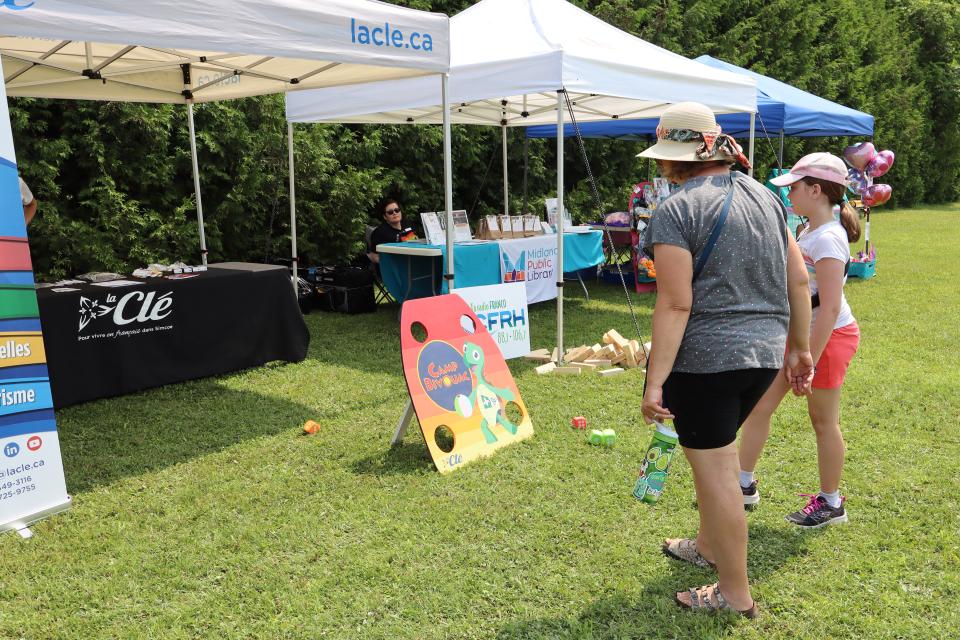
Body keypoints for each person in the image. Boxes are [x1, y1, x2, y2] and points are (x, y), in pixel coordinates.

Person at [638, 102, 814, 618]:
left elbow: (674, 303)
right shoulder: (767, 198)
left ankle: (735, 594)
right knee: (712, 457)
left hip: (705, 362)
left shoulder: (675, 210)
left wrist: (654, 382)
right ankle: (709, 546)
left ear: (674, 157)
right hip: (762, 356)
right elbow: (798, 279)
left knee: (716, 470)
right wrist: (800, 348)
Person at [738, 152, 861, 528]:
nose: (789, 193)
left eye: (794, 187)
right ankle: (741, 484)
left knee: (823, 420)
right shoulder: (809, 230)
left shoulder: (828, 239)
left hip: (829, 336)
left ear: (816, 189)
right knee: (759, 406)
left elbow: (828, 305)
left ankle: (831, 503)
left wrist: (807, 356)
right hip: (800, 337)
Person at [367, 198, 418, 266]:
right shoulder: (379, 232)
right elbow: (373, 256)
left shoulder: (408, 224)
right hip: (393, 268)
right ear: (385, 217)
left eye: (397, 210)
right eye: (390, 212)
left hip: (413, 261)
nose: (395, 213)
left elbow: (416, 241)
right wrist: (391, 263)